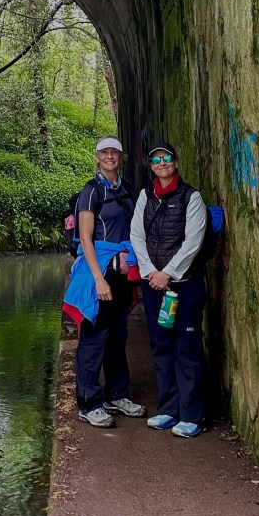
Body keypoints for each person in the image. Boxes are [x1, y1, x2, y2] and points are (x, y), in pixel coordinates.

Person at [63, 137, 146, 428]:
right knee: (95, 336)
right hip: (99, 271)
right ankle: (89, 403)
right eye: (104, 153)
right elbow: (86, 239)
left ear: (120, 157)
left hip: (123, 270)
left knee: (117, 334)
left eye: (114, 152)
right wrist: (99, 279)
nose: (110, 157)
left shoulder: (127, 189)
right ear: (97, 157)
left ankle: (117, 394)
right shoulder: (91, 191)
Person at [130, 142, 208, 438]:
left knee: (186, 347)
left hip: (184, 286)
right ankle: (168, 409)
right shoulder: (145, 196)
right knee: (161, 346)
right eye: (156, 160)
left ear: (175, 162)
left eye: (166, 158)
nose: (161, 163)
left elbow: (193, 241)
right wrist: (151, 272)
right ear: (151, 166)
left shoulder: (191, 197)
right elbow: (137, 235)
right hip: (153, 285)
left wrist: (168, 273)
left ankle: (193, 415)